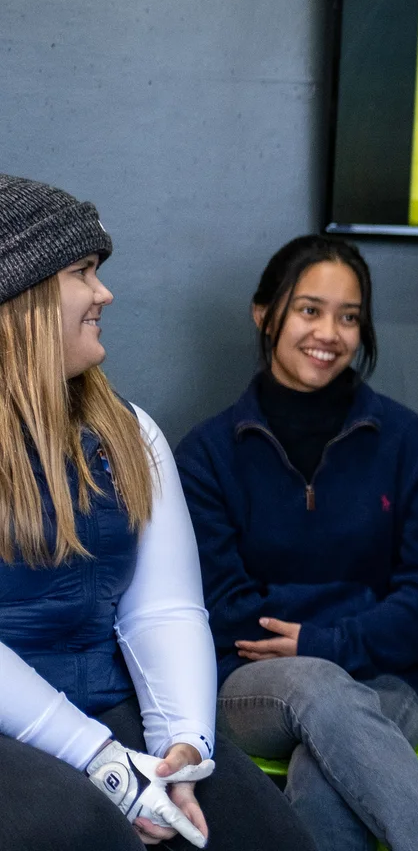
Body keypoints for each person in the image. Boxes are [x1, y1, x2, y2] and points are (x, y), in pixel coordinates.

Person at [0, 174, 313, 851]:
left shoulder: (128, 431)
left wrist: (183, 752)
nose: (104, 293)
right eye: (83, 272)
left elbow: (163, 610)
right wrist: (103, 763)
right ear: (21, 298)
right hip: (19, 729)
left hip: (103, 708)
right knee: (84, 828)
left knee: (263, 831)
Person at [175, 235, 418, 851]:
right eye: (310, 310)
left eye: (349, 316)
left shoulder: (405, 441)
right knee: (315, 686)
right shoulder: (207, 455)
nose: (330, 333)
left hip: (387, 682)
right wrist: (332, 637)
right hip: (249, 686)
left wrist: (323, 640)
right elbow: (226, 608)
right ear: (266, 314)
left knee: (325, 772)